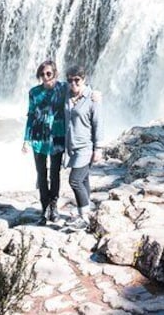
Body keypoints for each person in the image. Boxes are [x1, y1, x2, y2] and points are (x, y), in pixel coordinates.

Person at [22, 60, 67, 225]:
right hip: (39, 137)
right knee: (41, 174)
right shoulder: (34, 92)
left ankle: (54, 206)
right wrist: (26, 139)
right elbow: (31, 115)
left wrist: (94, 94)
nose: (45, 77)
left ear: (55, 73)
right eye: (42, 74)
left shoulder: (63, 88)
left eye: (48, 73)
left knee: (55, 173)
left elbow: (80, 87)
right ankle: (44, 208)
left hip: (57, 135)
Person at [64, 64, 103, 230]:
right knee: (84, 179)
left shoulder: (92, 99)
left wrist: (98, 148)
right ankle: (87, 211)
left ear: (84, 79)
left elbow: (98, 124)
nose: (73, 83)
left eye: (77, 80)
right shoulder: (66, 95)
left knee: (75, 180)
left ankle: (83, 217)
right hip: (72, 147)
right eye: (70, 80)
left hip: (85, 147)